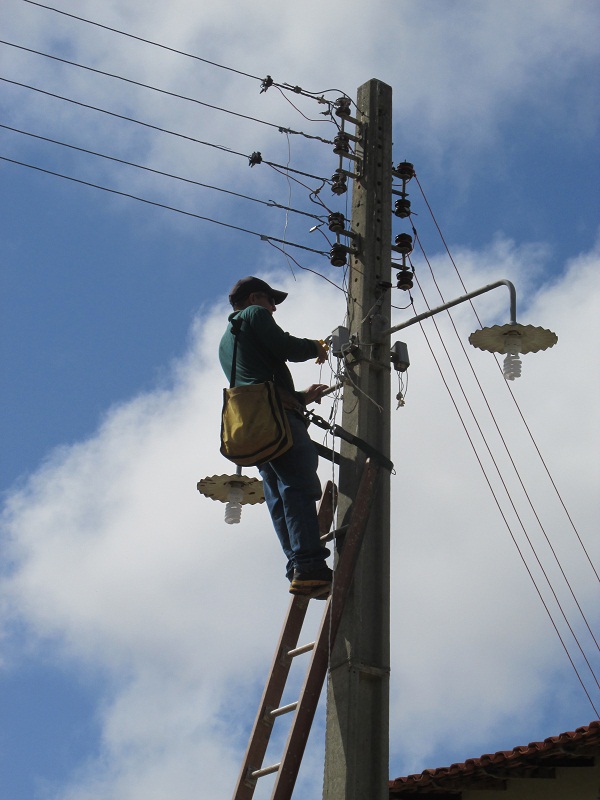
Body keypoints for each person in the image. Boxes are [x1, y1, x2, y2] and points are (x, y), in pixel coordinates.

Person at [219, 276, 332, 597]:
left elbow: (256, 380)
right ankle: (309, 565)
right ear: (254, 298)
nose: (273, 309)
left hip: (255, 424)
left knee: (279, 496)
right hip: (277, 417)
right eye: (271, 301)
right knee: (297, 484)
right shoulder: (253, 314)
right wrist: (316, 347)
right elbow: (285, 347)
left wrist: (300, 397)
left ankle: (298, 567)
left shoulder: (228, 338)